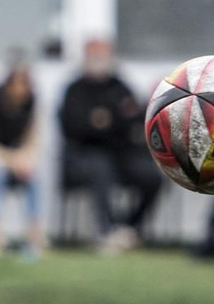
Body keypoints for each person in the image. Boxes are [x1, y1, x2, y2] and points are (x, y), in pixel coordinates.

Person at [58, 38, 164, 252]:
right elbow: (74, 127)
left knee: (153, 176)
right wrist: (108, 123)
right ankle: (107, 230)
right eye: (94, 55)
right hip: (83, 157)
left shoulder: (120, 86)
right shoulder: (74, 90)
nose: (99, 60)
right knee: (99, 168)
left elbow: (134, 119)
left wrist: (103, 121)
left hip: (121, 155)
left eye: (102, 55)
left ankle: (129, 228)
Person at [0, 59, 45, 257]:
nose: (23, 90)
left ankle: (34, 234)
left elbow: (32, 142)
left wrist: (24, 159)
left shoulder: (31, 107)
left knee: (34, 176)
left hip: (13, 162)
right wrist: (12, 160)